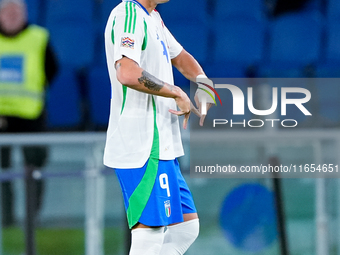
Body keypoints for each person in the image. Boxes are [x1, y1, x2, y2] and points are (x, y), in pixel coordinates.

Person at [103, 0, 214, 254]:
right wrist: (176, 91)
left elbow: (180, 57)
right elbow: (127, 72)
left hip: (161, 145)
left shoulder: (153, 17)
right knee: (149, 237)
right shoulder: (128, 14)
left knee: (185, 228)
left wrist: (204, 84)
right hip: (142, 144)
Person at [0, 0, 58, 226]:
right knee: (2, 174)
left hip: (31, 117)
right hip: (2, 119)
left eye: (17, 11)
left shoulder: (39, 38)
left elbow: (52, 69)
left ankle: (32, 220)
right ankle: (6, 220)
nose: (13, 16)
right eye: (8, 11)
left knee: (34, 171)